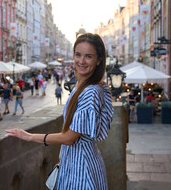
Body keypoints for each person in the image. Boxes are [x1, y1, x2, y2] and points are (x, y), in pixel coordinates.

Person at [6, 33, 114, 189]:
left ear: (98, 60)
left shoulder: (91, 91)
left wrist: (29, 137)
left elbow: (69, 138)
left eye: (88, 56)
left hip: (82, 169)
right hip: (75, 163)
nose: (81, 61)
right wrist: (63, 157)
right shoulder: (83, 85)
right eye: (78, 55)